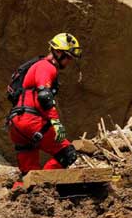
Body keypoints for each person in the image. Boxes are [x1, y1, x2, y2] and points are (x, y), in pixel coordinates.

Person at [7, 33, 81, 178]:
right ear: (58, 52)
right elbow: (44, 95)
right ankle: (45, 184)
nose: (69, 61)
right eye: (68, 57)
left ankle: (27, 193)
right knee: (67, 154)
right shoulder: (47, 66)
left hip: (16, 124)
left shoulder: (37, 66)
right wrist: (56, 123)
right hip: (31, 121)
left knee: (29, 173)